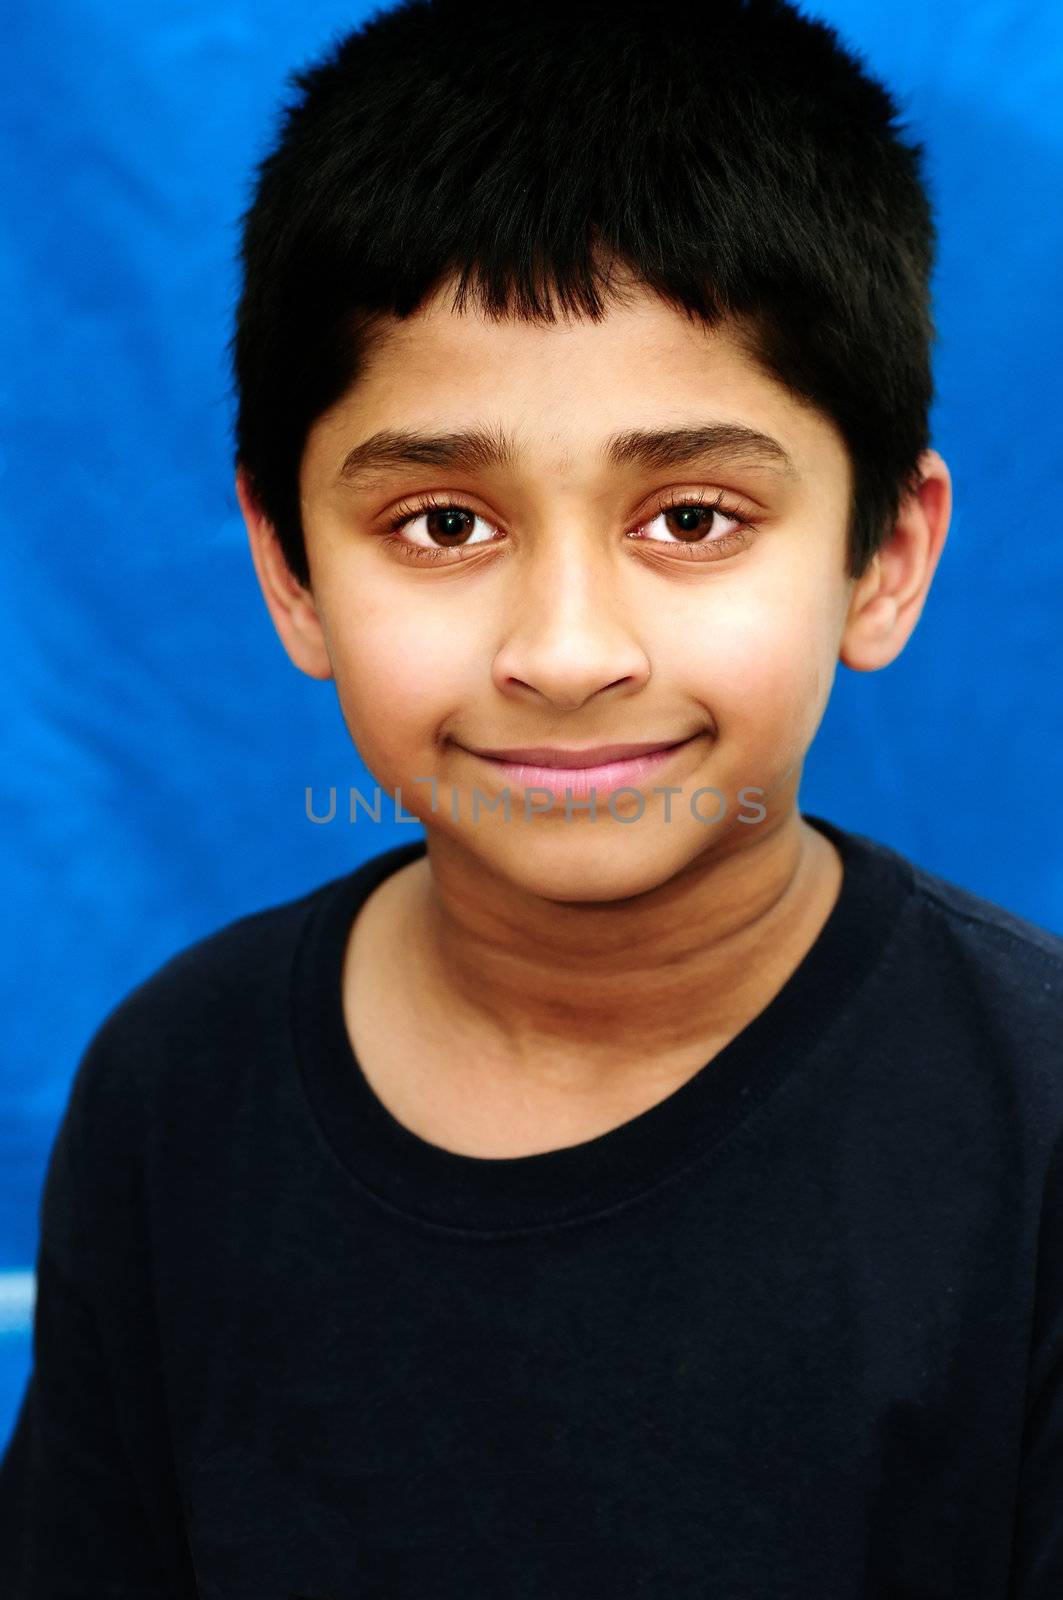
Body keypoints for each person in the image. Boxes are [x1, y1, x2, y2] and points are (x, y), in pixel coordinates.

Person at [2, 0, 1061, 1593]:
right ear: (289, 571)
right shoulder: (174, 1094)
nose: (566, 652)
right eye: (441, 526)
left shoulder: (1038, 1136)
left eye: (694, 518)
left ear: (884, 559)